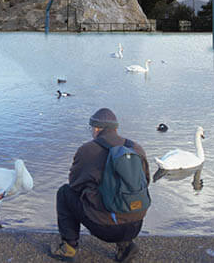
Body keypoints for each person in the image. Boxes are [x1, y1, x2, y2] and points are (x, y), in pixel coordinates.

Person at [51, 108, 150, 262]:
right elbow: (146, 181)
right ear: (116, 128)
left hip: (105, 229)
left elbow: (74, 184)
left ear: (96, 128)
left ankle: (69, 248)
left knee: (64, 193)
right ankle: (125, 247)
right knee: (126, 195)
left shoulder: (87, 150)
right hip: (135, 225)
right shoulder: (136, 148)